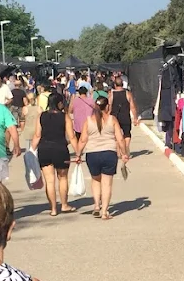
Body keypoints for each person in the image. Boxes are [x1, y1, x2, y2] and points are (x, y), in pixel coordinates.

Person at [74, 91, 129, 220]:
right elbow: (120, 139)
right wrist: (124, 153)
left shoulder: (88, 121)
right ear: (107, 107)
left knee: (95, 180)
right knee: (107, 183)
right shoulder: (112, 119)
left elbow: (82, 140)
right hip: (109, 154)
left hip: (92, 154)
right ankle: (104, 212)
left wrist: (78, 154)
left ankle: (96, 206)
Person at [30, 91, 76, 215]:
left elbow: (37, 135)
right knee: (62, 178)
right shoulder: (64, 116)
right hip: (60, 149)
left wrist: (31, 151)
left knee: (49, 181)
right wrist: (78, 153)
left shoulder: (41, 116)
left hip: (44, 149)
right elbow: (71, 136)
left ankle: (53, 208)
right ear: (59, 103)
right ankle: (64, 205)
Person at [109, 73, 138, 148]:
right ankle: (126, 147)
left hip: (115, 117)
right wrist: (135, 118)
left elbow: (109, 106)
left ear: (115, 85)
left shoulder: (112, 94)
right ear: (122, 84)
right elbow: (133, 107)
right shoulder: (127, 93)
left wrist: (106, 117)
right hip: (125, 117)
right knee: (127, 134)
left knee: (116, 135)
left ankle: (119, 151)